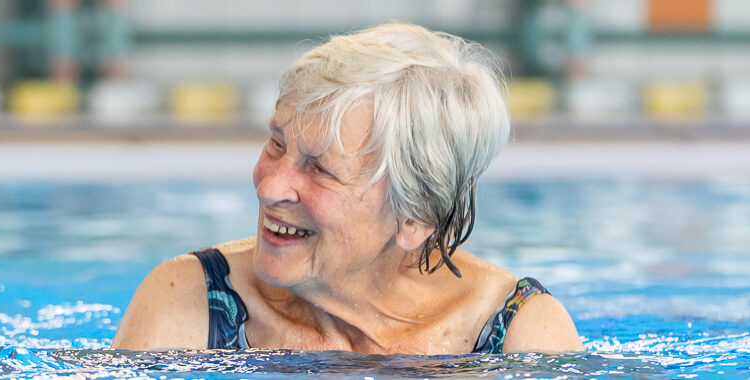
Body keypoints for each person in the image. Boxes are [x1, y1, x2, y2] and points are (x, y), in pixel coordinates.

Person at [111, 23, 580, 354]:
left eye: (320, 170)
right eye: (277, 143)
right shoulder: (192, 303)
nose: (270, 186)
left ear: (415, 216)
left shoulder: (517, 338)